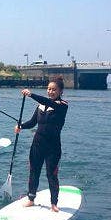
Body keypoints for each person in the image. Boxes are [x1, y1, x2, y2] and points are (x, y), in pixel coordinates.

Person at [15, 76, 68, 211]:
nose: (50, 92)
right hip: (37, 144)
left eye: (54, 90)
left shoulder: (62, 106)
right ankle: (31, 199)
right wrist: (21, 126)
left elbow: (48, 102)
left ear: (60, 91)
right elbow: (33, 122)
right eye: (49, 89)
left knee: (51, 174)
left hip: (53, 147)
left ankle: (54, 203)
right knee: (34, 171)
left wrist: (31, 94)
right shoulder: (40, 106)